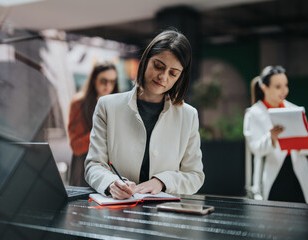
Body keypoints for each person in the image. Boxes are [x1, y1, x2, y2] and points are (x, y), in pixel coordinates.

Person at [84, 29, 205, 200]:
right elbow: (94, 165)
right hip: (118, 212)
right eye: (158, 66)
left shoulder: (188, 115)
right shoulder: (107, 106)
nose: (163, 77)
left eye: (173, 73)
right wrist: (111, 183)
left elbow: (195, 176)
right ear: (145, 61)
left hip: (165, 217)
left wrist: (162, 181)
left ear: (180, 77)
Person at [244, 65, 308, 204]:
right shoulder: (253, 114)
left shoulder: (295, 110)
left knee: (304, 217)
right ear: (264, 87)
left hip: (298, 172)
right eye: (278, 86)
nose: (284, 90)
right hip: (272, 174)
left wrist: (299, 141)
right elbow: (255, 148)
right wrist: (271, 138)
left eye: (286, 85)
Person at [68, 62, 119, 186]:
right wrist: (102, 131)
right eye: (103, 81)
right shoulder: (79, 104)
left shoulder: (118, 104)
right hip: (85, 170)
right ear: (94, 80)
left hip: (112, 171)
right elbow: (76, 146)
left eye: (112, 81)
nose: (108, 85)